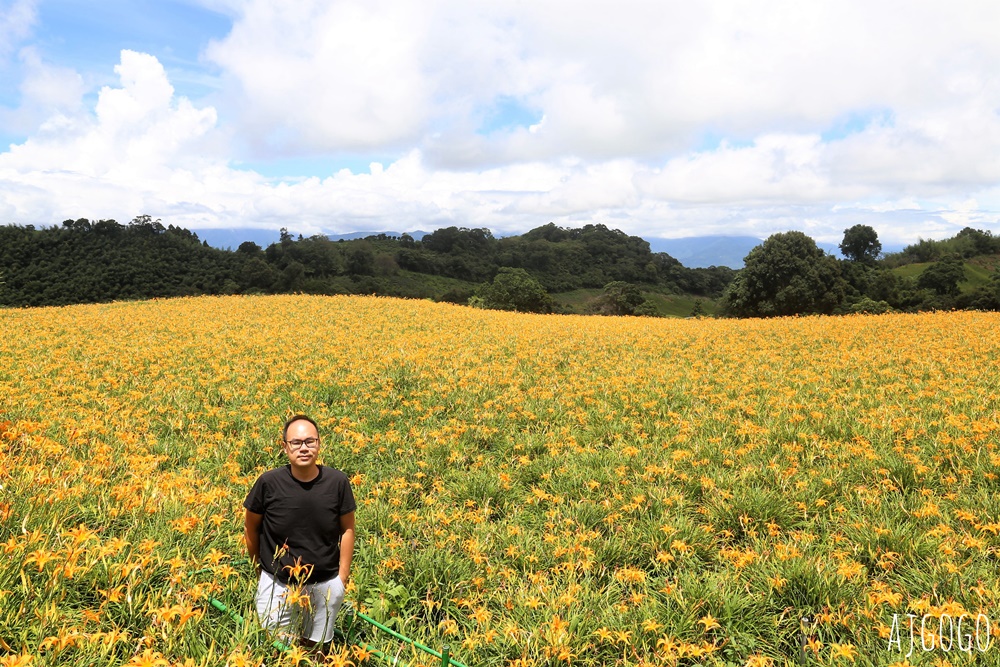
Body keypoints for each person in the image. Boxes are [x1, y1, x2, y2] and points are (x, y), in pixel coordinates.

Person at [243, 414, 357, 653]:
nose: (303, 448)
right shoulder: (268, 483)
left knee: (317, 649)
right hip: (278, 585)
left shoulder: (337, 482)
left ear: (319, 444)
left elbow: (347, 529)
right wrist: (261, 571)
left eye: (310, 441)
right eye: (296, 442)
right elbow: (250, 528)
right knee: (276, 648)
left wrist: (342, 578)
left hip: (325, 583)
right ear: (285, 446)